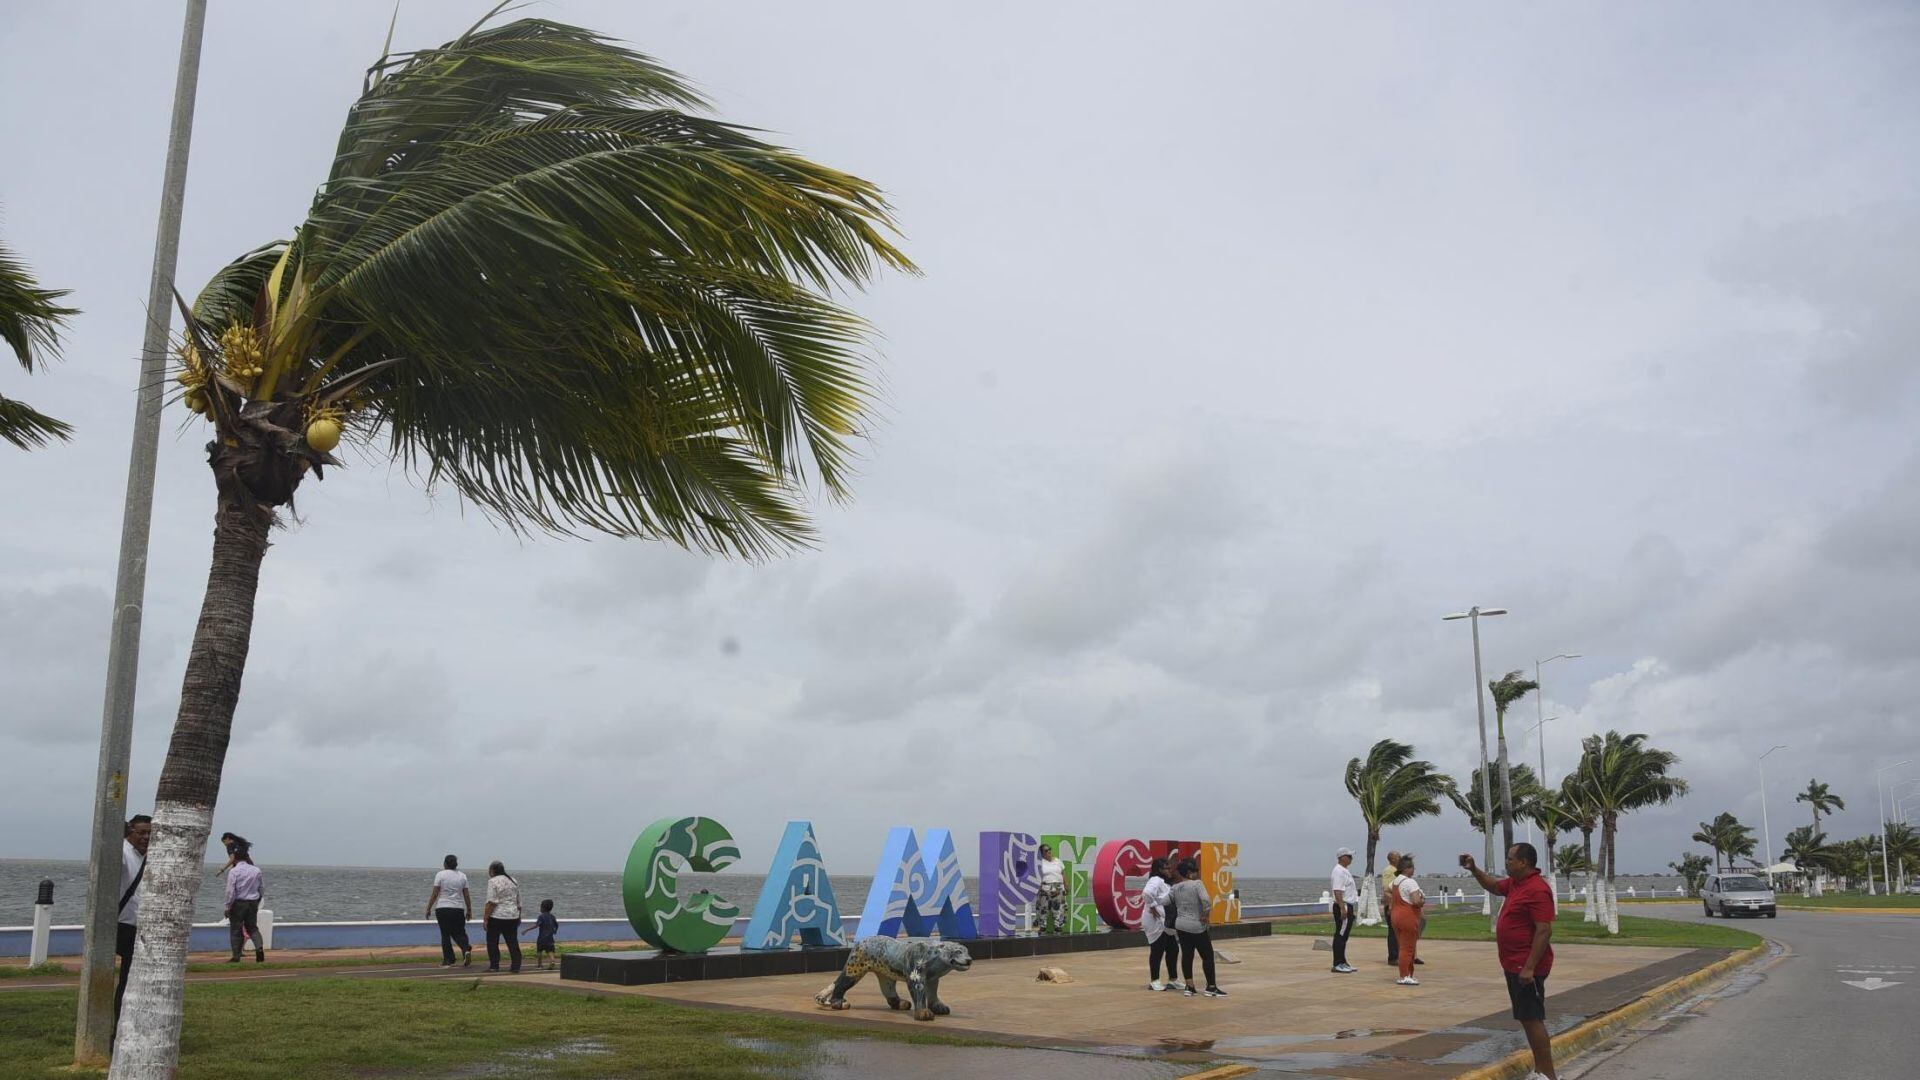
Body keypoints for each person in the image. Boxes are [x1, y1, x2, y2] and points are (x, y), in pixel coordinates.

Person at [1461, 844, 1559, 1080]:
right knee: (1527, 1018)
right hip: (1514, 964)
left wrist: (1529, 967)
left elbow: (1544, 931)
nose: (1507, 862)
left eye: (1510, 859)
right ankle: (1541, 1071)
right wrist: (1474, 869)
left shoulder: (1537, 889)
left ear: (1523, 862)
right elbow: (1493, 886)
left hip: (1526, 967)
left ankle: (1547, 1075)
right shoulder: (1516, 884)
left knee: (1532, 1018)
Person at [114, 813, 152, 1035]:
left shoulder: (147, 857)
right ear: (130, 832)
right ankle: (117, 1027)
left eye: (150, 834)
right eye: (141, 833)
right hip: (121, 924)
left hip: (138, 925)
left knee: (131, 980)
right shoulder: (122, 853)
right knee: (126, 980)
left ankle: (124, 1026)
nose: (146, 837)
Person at [1171, 857, 1224, 998]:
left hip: (1181, 925)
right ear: (1189, 873)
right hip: (1196, 925)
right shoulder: (1197, 884)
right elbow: (1206, 900)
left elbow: (1165, 901)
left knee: (1187, 955)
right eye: (1195, 871)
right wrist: (1206, 914)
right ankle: (1211, 987)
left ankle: (1189, 987)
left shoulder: (1175, 887)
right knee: (1207, 956)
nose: (1197, 874)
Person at [425, 854, 473, 967]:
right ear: (456, 864)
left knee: (445, 934)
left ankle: (448, 959)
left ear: (445, 864)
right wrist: (469, 910)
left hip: (443, 908)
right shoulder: (462, 876)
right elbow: (466, 895)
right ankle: (465, 948)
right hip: (458, 908)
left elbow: (435, 893)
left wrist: (428, 908)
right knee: (459, 932)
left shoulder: (440, 875)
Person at [224, 845, 266, 963]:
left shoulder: (234, 871)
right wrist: (258, 900)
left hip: (238, 903)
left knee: (236, 929)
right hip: (252, 902)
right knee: (252, 928)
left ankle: (236, 956)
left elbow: (230, 891)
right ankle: (259, 949)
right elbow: (261, 887)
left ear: (235, 859)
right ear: (247, 857)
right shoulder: (256, 870)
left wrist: (227, 907)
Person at [1142, 857, 1179, 990]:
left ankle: (1173, 979)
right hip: (1155, 921)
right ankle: (1154, 980)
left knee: (1173, 949)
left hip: (1164, 922)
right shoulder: (1156, 880)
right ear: (1159, 870)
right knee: (1157, 949)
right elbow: (1146, 893)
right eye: (1166, 868)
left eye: (1170, 868)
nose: (1169, 870)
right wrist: (1152, 905)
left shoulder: (1165, 883)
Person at [483, 860, 523, 973]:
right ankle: (516, 966)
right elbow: (518, 900)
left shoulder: (492, 881)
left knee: (492, 942)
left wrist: (485, 918)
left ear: (493, 870)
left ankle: (494, 966)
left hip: (497, 916)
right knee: (512, 942)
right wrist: (519, 916)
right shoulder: (513, 880)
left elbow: (491, 902)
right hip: (512, 916)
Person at [1391, 854, 1425, 985]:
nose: (1414, 870)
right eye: (1412, 867)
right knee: (1408, 948)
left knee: (1403, 946)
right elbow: (1416, 901)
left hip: (1396, 915)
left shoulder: (1396, 881)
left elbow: (1387, 891)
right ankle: (1404, 975)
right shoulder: (1410, 882)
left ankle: (1409, 974)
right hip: (1407, 916)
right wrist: (1422, 900)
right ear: (1407, 868)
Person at [1329, 847, 1357, 974]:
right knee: (1340, 934)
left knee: (1344, 935)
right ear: (1342, 857)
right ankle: (1337, 963)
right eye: (1349, 856)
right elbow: (1337, 890)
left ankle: (1343, 961)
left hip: (1347, 905)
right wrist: (1342, 908)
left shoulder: (1345, 871)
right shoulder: (1338, 871)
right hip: (1343, 905)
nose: (1351, 858)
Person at [1036, 844, 1066, 934]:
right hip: (1045, 888)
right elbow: (1037, 876)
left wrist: (1066, 885)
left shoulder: (1058, 861)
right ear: (1042, 853)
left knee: (1058, 907)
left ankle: (1057, 926)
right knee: (1043, 908)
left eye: (1049, 849)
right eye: (1046, 850)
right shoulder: (1040, 863)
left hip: (1058, 888)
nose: (1049, 851)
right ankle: (1043, 926)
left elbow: (1063, 873)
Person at [522, 898, 559, 969]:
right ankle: (552, 960)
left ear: (542, 908)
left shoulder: (541, 916)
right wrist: (555, 931)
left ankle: (540, 965)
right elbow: (556, 925)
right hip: (550, 938)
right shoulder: (552, 916)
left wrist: (526, 930)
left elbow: (536, 925)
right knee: (550, 951)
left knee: (539, 951)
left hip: (541, 938)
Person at [1381, 849, 1402, 967]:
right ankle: (1393, 957)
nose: (1400, 858)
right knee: (1393, 931)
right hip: (1392, 905)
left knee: (1398, 931)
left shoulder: (1398, 871)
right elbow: (1388, 890)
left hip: (1398, 904)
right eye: (1398, 856)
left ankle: (1399, 955)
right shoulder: (1390, 871)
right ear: (1392, 859)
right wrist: (1390, 906)